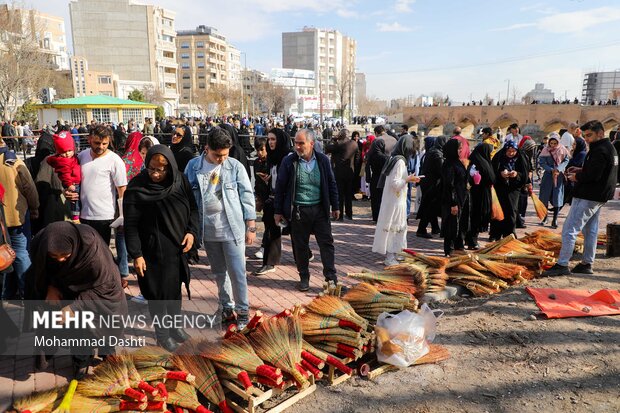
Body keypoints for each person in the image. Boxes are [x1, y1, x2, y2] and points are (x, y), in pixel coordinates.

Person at [25, 221, 128, 378]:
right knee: (77, 328)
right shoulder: (41, 243)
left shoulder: (91, 247)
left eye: (65, 256)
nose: (60, 260)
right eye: (54, 256)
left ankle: (107, 353)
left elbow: (104, 286)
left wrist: (75, 308)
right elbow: (39, 271)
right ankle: (81, 361)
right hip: (66, 288)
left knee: (104, 324)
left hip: (101, 290)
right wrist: (50, 287)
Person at [124, 145, 198, 351]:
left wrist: (191, 232)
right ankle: (162, 335)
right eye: (151, 168)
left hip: (177, 249)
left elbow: (193, 208)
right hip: (152, 251)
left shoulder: (179, 180)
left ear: (171, 167)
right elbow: (130, 225)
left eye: (161, 169)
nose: (156, 174)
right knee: (158, 295)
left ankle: (175, 328)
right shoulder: (137, 187)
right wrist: (136, 254)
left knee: (174, 291)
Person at [185, 128, 255, 328]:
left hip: (232, 228)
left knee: (237, 272)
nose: (222, 159)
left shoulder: (235, 167)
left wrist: (251, 226)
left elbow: (247, 195)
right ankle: (226, 307)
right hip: (207, 230)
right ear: (207, 148)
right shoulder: (193, 166)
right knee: (219, 272)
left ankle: (243, 311)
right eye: (218, 155)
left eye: (225, 154)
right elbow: (188, 197)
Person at [543, 120, 619, 276]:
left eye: (589, 135)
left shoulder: (600, 150)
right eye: (585, 136)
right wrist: (581, 169)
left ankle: (562, 264)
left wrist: (577, 176)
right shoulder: (608, 148)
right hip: (598, 195)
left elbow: (594, 175)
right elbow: (599, 170)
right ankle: (587, 263)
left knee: (570, 229)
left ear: (600, 133)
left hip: (588, 195)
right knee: (591, 230)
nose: (587, 139)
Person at [274, 129, 339, 292]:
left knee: (326, 244)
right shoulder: (289, 162)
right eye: (296, 143)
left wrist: (336, 206)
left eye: (301, 143)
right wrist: (278, 211)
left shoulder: (323, 160)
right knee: (300, 246)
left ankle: (331, 278)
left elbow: (331, 183)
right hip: (298, 211)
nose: (297, 146)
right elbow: (280, 187)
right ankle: (304, 276)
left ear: (311, 143)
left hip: (320, 210)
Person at [372, 135, 420, 266]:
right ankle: (390, 256)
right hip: (395, 201)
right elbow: (395, 183)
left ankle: (398, 253)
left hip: (395, 199)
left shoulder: (395, 158)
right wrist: (408, 180)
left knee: (398, 227)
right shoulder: (399, 162)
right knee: (394, 227)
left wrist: (408, 178)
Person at [0, 138, 39, 300]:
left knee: (3, 255)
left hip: (2, 221)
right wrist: (35, 207)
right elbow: (29, 187)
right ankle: (27, 291)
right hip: (16, 216)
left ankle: (7, 292)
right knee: (21, 253)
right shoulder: (13, 162)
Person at [76, 125, 127, 245]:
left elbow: (122, 190)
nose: (101, 147)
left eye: (105, 143)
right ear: (89, 139)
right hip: (83, 215)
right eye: (97, 143)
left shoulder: (115, 160)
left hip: (104, 216)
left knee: (101, 254)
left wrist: (123, 217)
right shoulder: (81, 156)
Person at [255, 129, 292, 275]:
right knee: (271, 230)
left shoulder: (289, 158)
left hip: (288, 200)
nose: (270, 142)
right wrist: (269, 181)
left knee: (295, 233)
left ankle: (305, 256)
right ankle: (269, 262)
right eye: (269, 139)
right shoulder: (271, 157)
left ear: (281, 140)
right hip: (273, 198)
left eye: (273, 139)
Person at [489, 141, 528, 240]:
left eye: (513, 151)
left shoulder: (520, 158)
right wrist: (501, 174)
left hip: (513, 189)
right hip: (500, 188)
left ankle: (509, 234)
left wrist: (516, 175)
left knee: (511, 210)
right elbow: (492, 172)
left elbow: (525, 175)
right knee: (498, 210)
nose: (511, 153)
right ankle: (495, 233)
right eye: (509, 151)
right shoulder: (498, 158)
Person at [440, 139, 469, 256]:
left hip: (461, 198)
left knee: (459, 224)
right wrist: (453, 203)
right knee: (451, 226)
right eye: (458, 148)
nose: (461, 150)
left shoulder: (457, 162)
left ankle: (458, 246)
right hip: (453, 200)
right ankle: (449, 249)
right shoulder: (449, 164)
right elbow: (449, 185)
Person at [416, 136, 448, 238]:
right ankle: (421, 229)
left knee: (431, 206)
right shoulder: (437, 154)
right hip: (432, 184)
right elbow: (441, 170)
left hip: (428, 183)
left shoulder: (432, 151)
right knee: (430, 207)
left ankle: (435, 228)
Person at [46, 131, 81, 223]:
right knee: (75, 200)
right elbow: (65, 174)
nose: (67, 154)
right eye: (63, 152)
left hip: (74, 181)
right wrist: (69, 184)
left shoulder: (71, 158)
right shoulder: (64, 161)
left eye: (69, 151)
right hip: (73, 183)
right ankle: (76, 217)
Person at [465, 143, 496, 249]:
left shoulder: (478, 162)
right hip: (479, 195)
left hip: (480, 193)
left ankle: (471, 239)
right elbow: (490, 178)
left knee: (475, 217)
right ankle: (472, 241)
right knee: (476, 217)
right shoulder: (479, 164)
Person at [324, 128, 359, 220]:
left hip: (339, 172)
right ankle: (349, 214)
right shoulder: (354, 143)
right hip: (350, 171)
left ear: (341, 135)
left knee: (339, 194)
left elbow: (326, 148)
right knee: (348, 194)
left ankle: (339, 216)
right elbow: (357, 158)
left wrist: (333, 140)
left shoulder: (339, 144)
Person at [366, 125, 397, 222]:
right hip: (391, 171)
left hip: (378, 173)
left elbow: (372, 156)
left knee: (376, 198)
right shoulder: (394, 140)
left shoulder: (377, 140)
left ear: (376, 132)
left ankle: (377, 217)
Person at [538, 133, 570, 228]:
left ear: (558, 142)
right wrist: (551, 170)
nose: (552, 145)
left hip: (558, 177)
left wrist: (559, 169)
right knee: (544, 197)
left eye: (555, 143)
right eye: (551, 143)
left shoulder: (562, 149)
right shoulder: (545, 150)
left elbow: (566, 160)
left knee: (557, 197)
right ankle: (545, 217)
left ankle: (555, 219)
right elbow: (542, 162)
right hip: (548, 176)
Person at [516, 135, 537, 228]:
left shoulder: (528, 156)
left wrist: (529, 182)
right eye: (531, 149)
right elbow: (522, 170)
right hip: (520, 181)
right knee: (519, 200)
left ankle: (521, 218)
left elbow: (531, 169)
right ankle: (518, 220)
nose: (532, 151)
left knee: (524, 200)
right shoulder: (520, 156)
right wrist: (526, 182)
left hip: (526, 180)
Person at [563, 135, 587, 205]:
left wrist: (569, 158)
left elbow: (574, 163)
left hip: (576, 177)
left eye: (575, 144)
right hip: (571, 175)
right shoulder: (576, 152)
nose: (573, 146)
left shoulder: (582, 153)